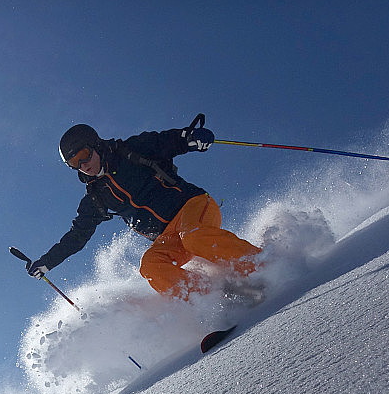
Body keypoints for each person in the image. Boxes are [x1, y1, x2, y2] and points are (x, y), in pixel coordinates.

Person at [26, 120, 263, 301]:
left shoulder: (128, 152)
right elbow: (76, 237)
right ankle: (215, 299)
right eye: (73, 163)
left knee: (193, 237)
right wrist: (46, 262)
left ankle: (260, 267)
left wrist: (190, 138)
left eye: (83, 155)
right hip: (167, 237)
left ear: (95, 145)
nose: (83, 165)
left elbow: (165, 142)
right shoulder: (96, 197)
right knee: (150, 266)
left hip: (192, 206)